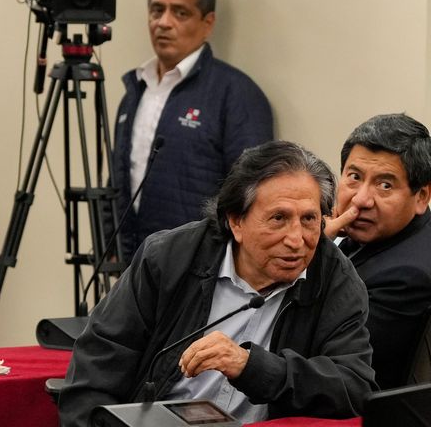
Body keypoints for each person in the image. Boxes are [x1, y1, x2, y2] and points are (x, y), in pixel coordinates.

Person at [61, 140, 377, 426]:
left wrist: (253, 367)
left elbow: (353, 388)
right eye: (278, 219)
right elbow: (95, 371)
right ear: (235, 221)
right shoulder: (169, 258)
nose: (297, 240)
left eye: (309, 219)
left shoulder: (336, 279)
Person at [110, 0, 273, 259]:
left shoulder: (236, 94)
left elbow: (253, 196)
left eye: (180, 12)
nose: (164, 22)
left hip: (201, 268)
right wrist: (111, 246)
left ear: (207, 22)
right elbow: (115, 182)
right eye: (157, 10)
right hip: (134, 265)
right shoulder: (134, 91)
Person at [325, 113, 431, 389]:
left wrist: (312, 252)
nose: (361, 199)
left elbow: (326, 355)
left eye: (385, 185)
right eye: (354, 177)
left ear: (421, 197)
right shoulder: (369, 235)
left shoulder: (408, 275)